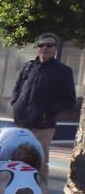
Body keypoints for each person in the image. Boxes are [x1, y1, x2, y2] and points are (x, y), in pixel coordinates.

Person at [10, 33, 77, 169]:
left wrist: (46, 112)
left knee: (40, 161)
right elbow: (17, 87)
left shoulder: (63, 71)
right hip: (21, 123)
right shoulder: (28, 66)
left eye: (49, 45)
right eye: (41, 45)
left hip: (43, 126)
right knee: (15, 158)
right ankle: (19, 189)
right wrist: (15, 103)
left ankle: (40, 189)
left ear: (55, 48)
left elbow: (70, 100)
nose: (44, 48)